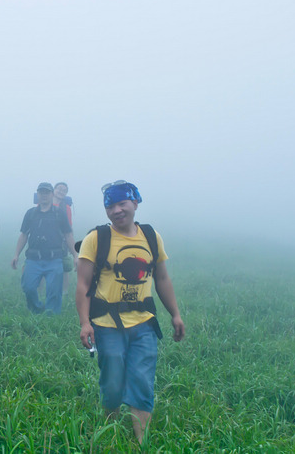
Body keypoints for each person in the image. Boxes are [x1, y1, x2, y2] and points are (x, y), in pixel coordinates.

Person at [75, 181, 185, 445]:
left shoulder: (150, 236)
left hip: (144, 324)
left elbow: (162, 279)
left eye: (121, 204)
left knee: (142, 380)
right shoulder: (96, 239)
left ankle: (141, 442)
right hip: (106, 324)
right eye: (109, 206)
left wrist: (175, 314)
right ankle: (109, 430)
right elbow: (83, 284)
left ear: (135, 203)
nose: (116, 210)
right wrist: (84, 323)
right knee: (112, 381)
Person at [12, 182, 77, 314]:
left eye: (47, 192)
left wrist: (75, 255)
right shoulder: (30, 213)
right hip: (33, 258)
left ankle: (51, 319)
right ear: (38, 194)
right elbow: (24, 235)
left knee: (54, 291)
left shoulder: (59, 213)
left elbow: (68, 235)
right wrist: (16, 254)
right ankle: (37, 309)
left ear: (52, 194)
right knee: (28, 287)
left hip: (54, 259)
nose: (44, 195)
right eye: (41, 192)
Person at [53, 182, 74, 294]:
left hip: (61, 241)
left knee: (65, 267)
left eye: (64, 190)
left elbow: (69, 227)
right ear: (54, 190)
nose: (61, 191)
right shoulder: (44, 203)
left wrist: (71, 246)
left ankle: (64, 292)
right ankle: (40, 292)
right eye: (59, 189)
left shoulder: (66, 208)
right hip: (44, 240)